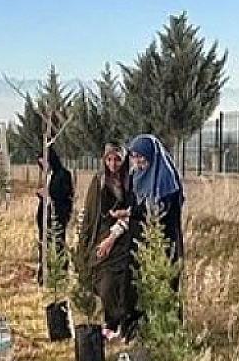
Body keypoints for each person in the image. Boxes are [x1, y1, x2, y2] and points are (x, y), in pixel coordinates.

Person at [82, 142, 142, 338]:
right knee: (101, 282)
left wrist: (112, 237)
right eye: (109, 159)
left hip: (122, 240)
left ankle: (121, 322)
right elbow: (90, 214)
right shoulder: (98, 182)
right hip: (98, 239)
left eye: (117, 159)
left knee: (119, 283)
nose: (113, 164)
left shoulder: (130, 182)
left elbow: (132, 212)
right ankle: (109, 320)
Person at [127, 134, 185, 276]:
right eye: (134, 156)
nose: (137, 161)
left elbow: (159, 213)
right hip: (140, 244)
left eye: (141, 156)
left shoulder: (167, 182)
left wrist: (130, 213)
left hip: (163, 244)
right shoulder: (135, 176)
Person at [35, 146, 74, 283]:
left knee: (57, 246)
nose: (42, 166)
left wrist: (50, 195)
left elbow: (65, 196)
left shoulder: (64, 175)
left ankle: (60, 276)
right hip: (44, 218)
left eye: (44, 163)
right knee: (44, 246)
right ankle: (44, 276)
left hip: (57, 217)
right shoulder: (47, 176)